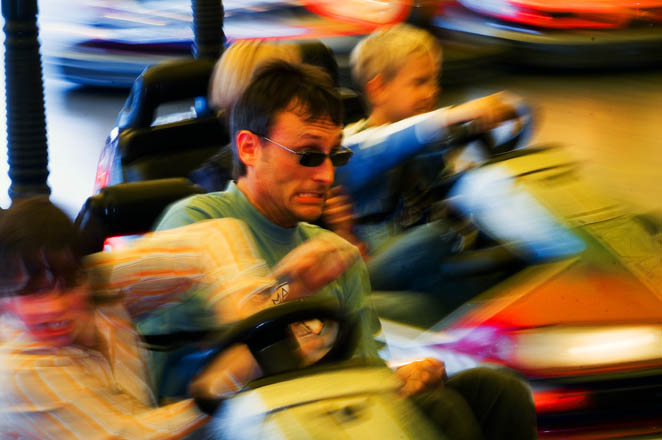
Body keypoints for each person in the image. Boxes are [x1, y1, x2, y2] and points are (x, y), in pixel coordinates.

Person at [155, 60, 537, 439]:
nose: (325, 175)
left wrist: (399, 380)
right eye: (307, 155)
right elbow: (175, 379)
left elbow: (366, 371)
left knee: (496, 391)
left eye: (334, 156)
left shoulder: (335, 253)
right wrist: (288, 290)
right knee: (439, 412)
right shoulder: (198, 223)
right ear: (250, 148)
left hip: (330, 413)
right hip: (236, 421)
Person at [327, 23, 526, 305]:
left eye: (434, 81)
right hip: (374, 271)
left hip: (422, 266)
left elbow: (445, 193)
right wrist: (451, 116)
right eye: (419, 82)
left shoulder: (429, 145)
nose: (432, 92)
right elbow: (387, 144)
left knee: (507, 244)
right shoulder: (351, 145)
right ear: (379, 88)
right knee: (439, 236)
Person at [0, 197, 223, 439]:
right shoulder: (18, 371)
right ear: (5, 300)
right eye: (33, 292)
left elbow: (210, 238)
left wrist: (243, 302)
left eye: (68, 285)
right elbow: (127, 434)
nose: (56, 306)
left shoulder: (97, 289)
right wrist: (215, 391)